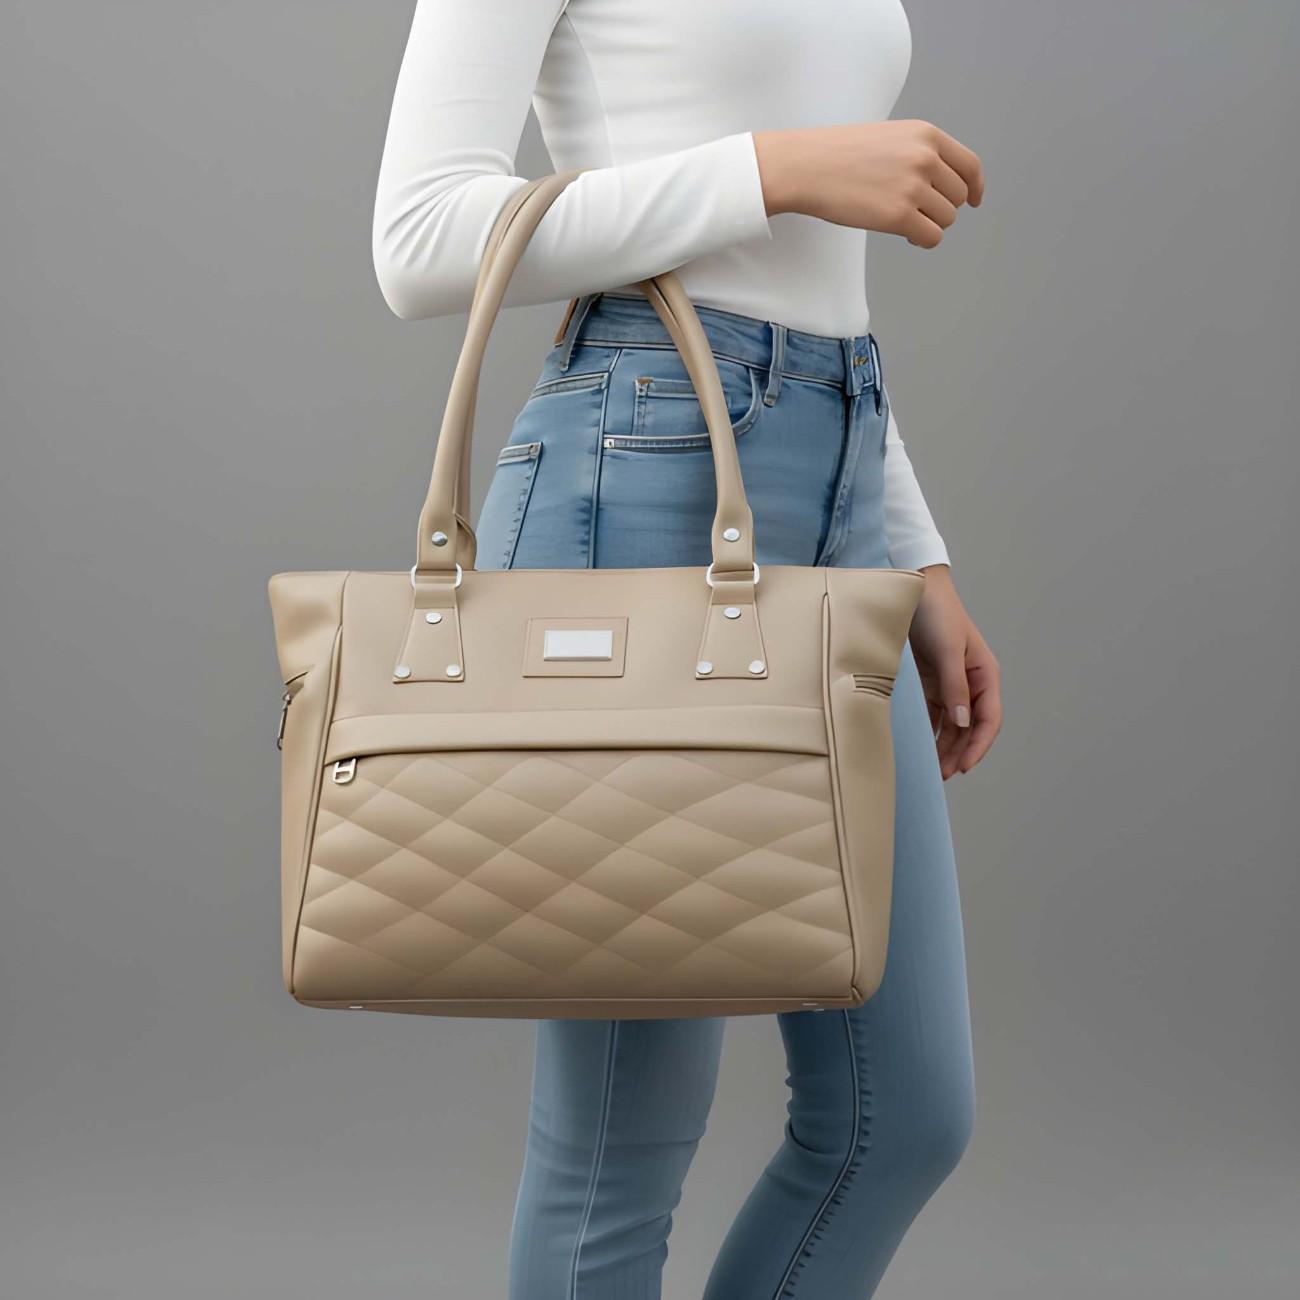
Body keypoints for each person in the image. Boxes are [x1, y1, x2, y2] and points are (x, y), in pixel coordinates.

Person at [371, 2, 1003, 1295]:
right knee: (622, 1145)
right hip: (642, 472)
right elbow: (420, 241)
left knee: (903, 1117)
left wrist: (916, 549)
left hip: (838, 470)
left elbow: (810, 292)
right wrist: (774, 169)